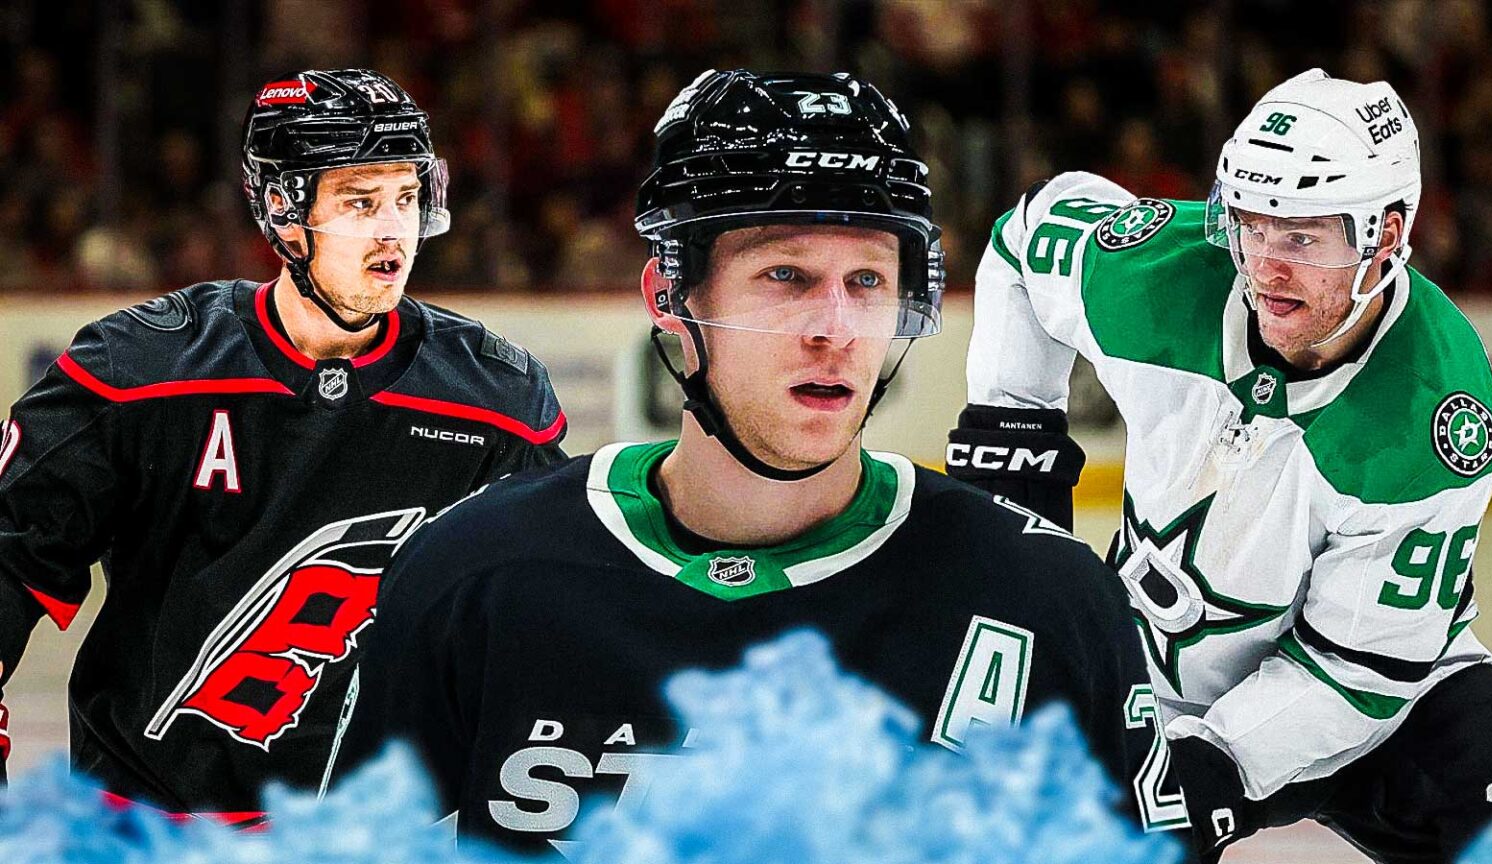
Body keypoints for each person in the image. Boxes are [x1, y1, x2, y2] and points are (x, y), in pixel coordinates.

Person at [328, 69, 1175, 854]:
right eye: (784, 275)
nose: (835, 329)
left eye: (869, 283)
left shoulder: (1047, 598)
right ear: (670, 297)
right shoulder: (474, 575)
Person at [954, 67, 1492, 862]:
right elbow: (1023, 243)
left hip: (1378, 702)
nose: (1264, 266)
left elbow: (1357, 672)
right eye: (1251, 223)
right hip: (1150, 678)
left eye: (1301, 237)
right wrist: (1011, 434)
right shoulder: (1159, 273)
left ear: (1388, 235)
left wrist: (1211, 767)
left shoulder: (1434, 415)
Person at [0, 68, 566, 821]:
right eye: (361, 202)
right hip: (142, 827)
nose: (393, 230)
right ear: (281, 210)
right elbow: (12, 557)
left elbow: (553, 613)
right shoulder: (139, 372)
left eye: (405, 198)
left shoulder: (498, 402)